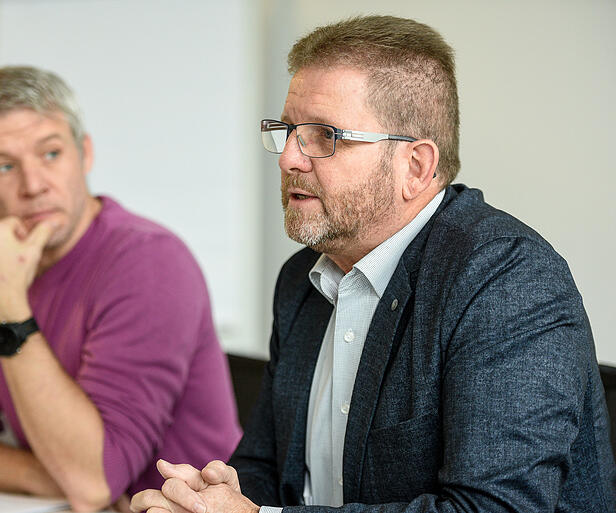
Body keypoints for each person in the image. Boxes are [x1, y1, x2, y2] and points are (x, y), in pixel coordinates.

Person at [130, 15, 616, 513]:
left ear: (416, 167)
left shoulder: (507, 281)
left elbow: (493, 509)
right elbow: (268, 470)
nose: (289, 159)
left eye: (324, 135)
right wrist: (211, 500)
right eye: (289, 130)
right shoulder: (301, 280)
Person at [0, 65, 241, 512]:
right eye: (4, 166)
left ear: (84, 154)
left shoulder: (148, 260)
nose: (33, 185)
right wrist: (47, 477)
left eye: (50, 154)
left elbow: (91, 481)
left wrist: (7, 309)